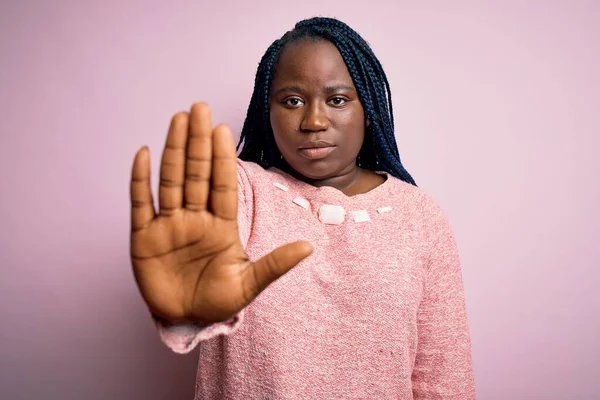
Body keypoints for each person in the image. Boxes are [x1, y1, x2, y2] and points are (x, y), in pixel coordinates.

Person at [129, 17, 475, 399]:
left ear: (368, 108)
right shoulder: (239, 189)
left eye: (338, 100)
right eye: (292, 101)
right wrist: (188, 311)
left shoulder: (419, 215)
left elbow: (442, 379)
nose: (313, 121)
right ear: (267, 108)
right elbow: (204, 262)